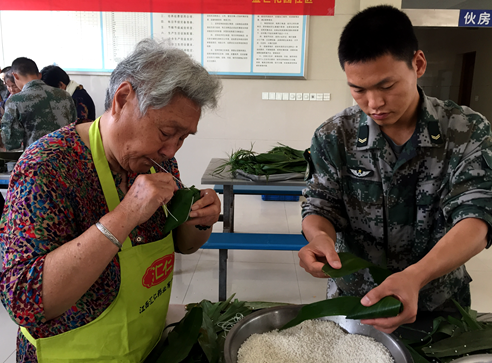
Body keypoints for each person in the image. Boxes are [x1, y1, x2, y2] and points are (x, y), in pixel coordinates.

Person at [0, 39, 222, 362]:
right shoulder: (48, 167)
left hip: (143, 348)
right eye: (166, 132)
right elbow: (24, 301)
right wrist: (127, 213)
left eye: (183, 138)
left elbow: (182, 244)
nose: (173, 150)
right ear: (122, 99)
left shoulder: (158, 163)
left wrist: (200, 219)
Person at [299, 5, 492, 334]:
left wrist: (416, 277)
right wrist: (319, 238)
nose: (373, 103)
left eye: (386, 86)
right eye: (359, 89)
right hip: (358, 301)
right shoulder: (334, 135)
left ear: (417, 64)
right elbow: (320, 204)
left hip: (439, 306)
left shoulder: (467, 131)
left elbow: (478, 216)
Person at [0, 57, 76, 150]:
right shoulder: (65, 95)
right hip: (65, 157)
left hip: (36, 159)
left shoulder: (15, 101)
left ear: (15, 76)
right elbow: (73, 129)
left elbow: (11, 142)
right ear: (39, 75)